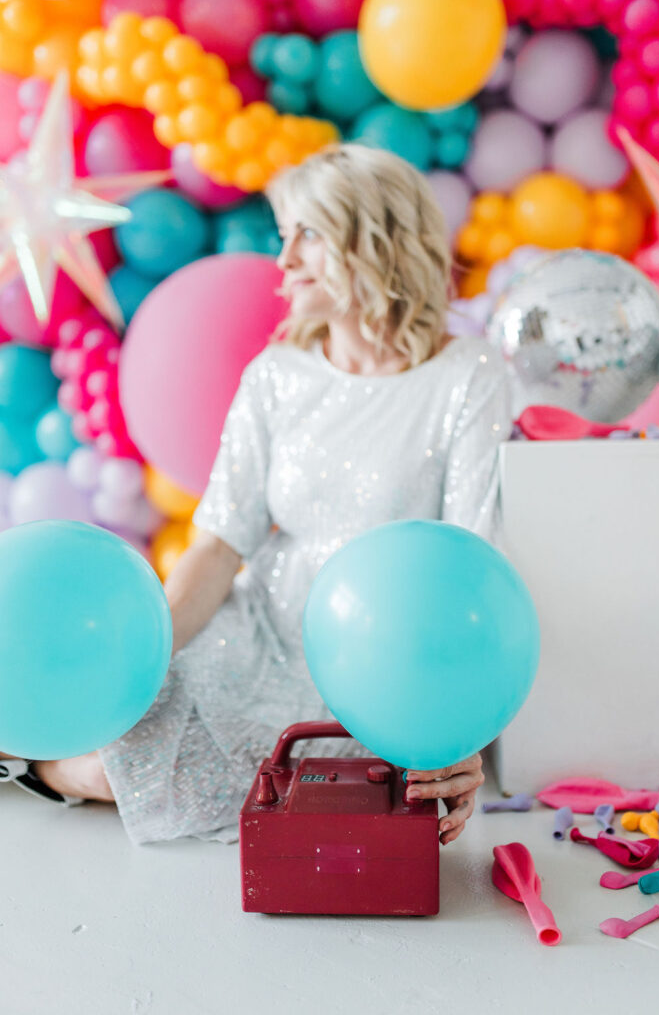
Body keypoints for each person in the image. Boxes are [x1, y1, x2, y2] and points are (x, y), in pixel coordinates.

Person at [4, 144, 512, 845]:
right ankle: (30, 761)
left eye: (306, 234)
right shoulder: (277, 375)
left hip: (377, 670)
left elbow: (474, 565)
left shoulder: (468, 373)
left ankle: (34, 763)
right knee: (111, 757)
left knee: (301, 788)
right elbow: (216, 545)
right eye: (283, 238)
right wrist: (143, 668)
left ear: (374, 236)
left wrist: (457, 729)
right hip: (255, 635)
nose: (284, 261)